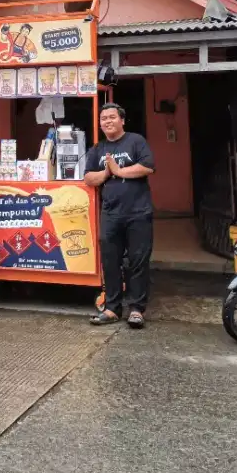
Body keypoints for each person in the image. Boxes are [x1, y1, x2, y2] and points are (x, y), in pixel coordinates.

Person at [84, 102, 155, 329]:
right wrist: (106, 172)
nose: (107, 121)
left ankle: (136, 309)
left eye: (112, 117)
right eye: (103, 118)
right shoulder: (97, 149)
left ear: (122, 120)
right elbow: (88, 179)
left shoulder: (136, 141)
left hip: (138, 213)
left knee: (138, 261)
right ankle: (112, 308)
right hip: (111, 214)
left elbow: (147, 167)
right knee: (110, 261)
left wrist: (119, 171)